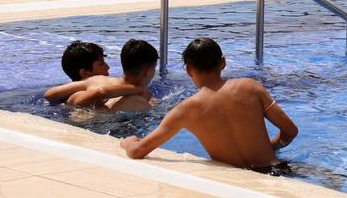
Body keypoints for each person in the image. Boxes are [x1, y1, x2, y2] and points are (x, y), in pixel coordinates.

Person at [120, 37, 298, 170]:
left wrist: (128, 141)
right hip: (277, 170)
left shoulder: (185, 110)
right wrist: (269, 147)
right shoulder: (250, 87)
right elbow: (290, 131)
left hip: (238, 179)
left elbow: (137, 151)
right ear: (223, 63)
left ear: (188, 70)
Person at [43, 40, 148, 109]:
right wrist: (138, 89)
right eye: (101, 64)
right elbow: (49, 94)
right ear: (85, 73)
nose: (108, 67)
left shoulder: (73, 96)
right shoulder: (90, 82)